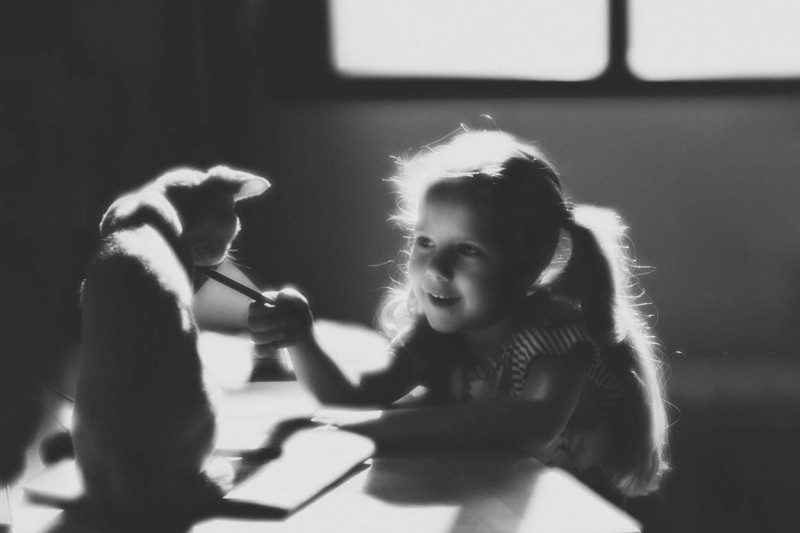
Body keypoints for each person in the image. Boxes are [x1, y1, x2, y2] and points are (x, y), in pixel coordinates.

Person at [248, 129, 670, 499]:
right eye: (425, 243)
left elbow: (529, 424)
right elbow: (352, 401)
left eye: (467, 250)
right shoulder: (438, 339)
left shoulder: (559, 338)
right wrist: (300, 340)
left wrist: (368, 430)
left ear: (530, 263)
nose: (436, 269)